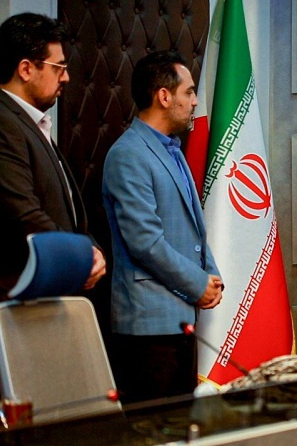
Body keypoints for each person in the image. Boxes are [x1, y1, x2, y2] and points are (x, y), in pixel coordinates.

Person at [102, 50, 223, 403]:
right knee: (153, 427)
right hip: (147, 329)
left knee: (181, 424)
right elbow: (145, 242)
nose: (195, 101)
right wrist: (197, 284)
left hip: (179, 321)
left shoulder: (172, 149)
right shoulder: (128, 154)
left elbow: (191, 228)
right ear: (164, 96)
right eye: (189, 92)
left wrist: (211, 276)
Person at [0, 13, 106, 301]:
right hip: (19, 297)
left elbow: (67, 213)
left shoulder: (28, 122)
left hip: (51, 292)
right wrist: (82, 255)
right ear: (26, 69)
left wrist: (92, 249)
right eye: (59, 67)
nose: (66, 77)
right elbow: (22, 214)